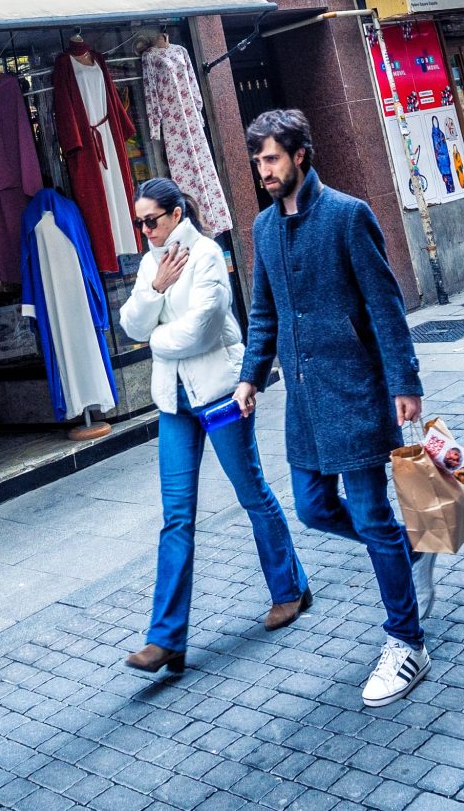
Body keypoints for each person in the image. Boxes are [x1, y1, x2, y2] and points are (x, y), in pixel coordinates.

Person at [232, 110, 430, 709]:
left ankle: (406, 643)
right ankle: (404, 548)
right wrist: (250, 378)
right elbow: (264, 313)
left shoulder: (348, 216)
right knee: (314, 509)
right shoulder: (264, 230)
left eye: (271, 158)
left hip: (357, 393)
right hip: (303, 403)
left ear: (299, 155)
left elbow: (384, 304)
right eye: (258, 160)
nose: (263, 170)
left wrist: (405, 380)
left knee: (369, 516)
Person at [120, 179, 306, 677]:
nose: (145, 231)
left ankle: (290, 589)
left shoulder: (207, 256)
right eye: (139, 223)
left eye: (151, 221)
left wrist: (155, 336)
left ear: (177, 213)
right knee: (175, 516)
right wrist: (155, 289)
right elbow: (131, 326)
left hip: (221, 394)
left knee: (252, 492)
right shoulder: (150, 263)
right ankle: (165, 639)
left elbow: (202, 326)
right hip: (174, 403)